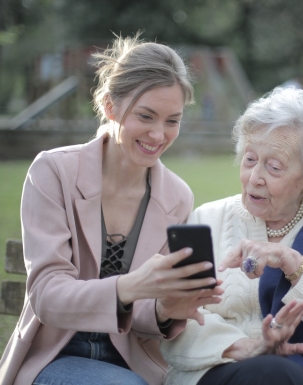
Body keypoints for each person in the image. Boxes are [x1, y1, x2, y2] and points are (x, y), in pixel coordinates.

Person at [0, 33, 223, 385]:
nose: (158, 134)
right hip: (54, 357)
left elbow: (145, 314)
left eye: (172, 120)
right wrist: (128, 286)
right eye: (146, 116)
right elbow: (46, 295)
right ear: (109, 106)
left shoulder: (178, 196)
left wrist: (166, 309)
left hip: (134, 364)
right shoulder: (53, 171)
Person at [160, 87, 303, 385]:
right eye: (249, 159)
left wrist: (294, 264)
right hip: (212, 373)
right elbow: (174, 317)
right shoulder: (207, 220)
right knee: (272, 373)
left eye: (274, 167)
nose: (254, 177)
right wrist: (243, 347)